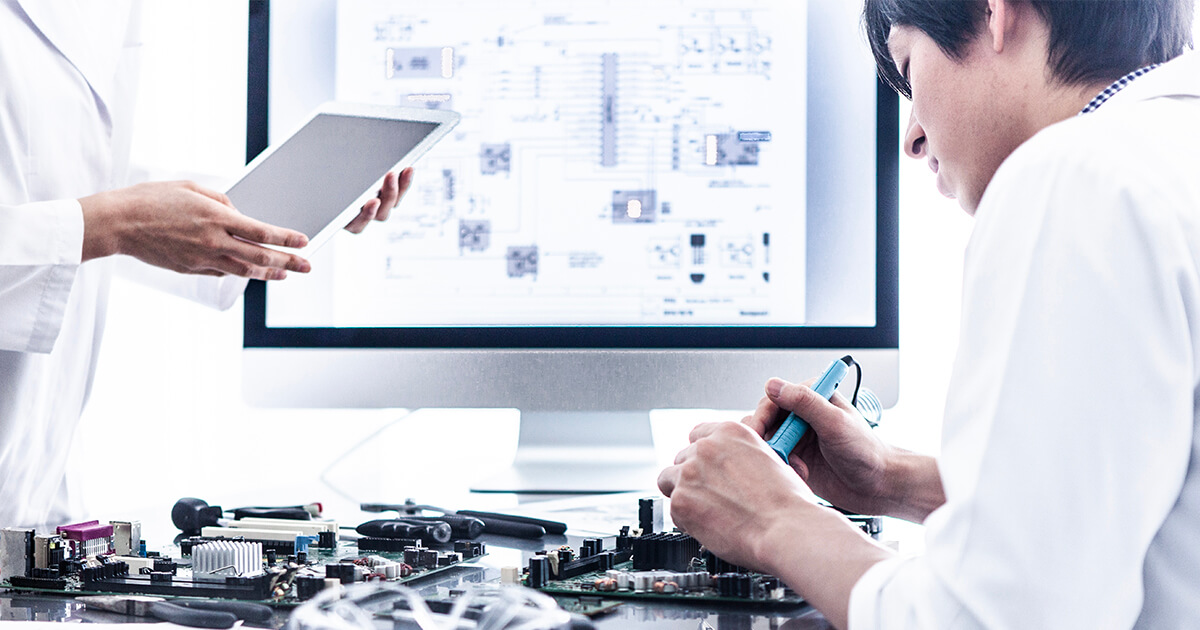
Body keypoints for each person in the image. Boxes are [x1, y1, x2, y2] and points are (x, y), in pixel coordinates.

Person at [658, 0, 1199, 627]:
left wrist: (771, 517)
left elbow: (991, 619)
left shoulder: (1077, 178)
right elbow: (1129, 495)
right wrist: (892, 481)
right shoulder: (1167, 153)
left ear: (995, 14)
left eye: (910, 69)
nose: (912, 136)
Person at [0, 0, 410, 529]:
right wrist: (112, 225)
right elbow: (88, 206)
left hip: (36, 484)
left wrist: (261, 208)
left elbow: (63, 170)